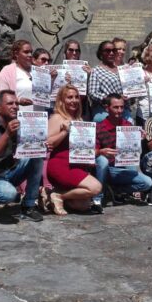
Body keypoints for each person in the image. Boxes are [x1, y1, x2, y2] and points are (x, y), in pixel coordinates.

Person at [0, 90, 44, 222]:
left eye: (16, 103)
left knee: (37, 155)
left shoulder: (21, 124)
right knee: (8, 194)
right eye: (10, 103)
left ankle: (28, 206)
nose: (15, 106)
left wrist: (41, 146)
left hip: (12, 171)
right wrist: (7, 134)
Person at [46, 85, 102, 215]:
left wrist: (89, 157)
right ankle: (59, 196)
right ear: (61, 101)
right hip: (61, 166)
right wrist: (65, 131)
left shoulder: (79, 119)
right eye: (69, 97)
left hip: (76, 165)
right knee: (95, 188)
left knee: (83, 205)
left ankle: (50, 193)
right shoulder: (57, 118)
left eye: (76, 97)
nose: (74, 100)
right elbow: (48, 143)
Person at [94, 94, 152, 212]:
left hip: (122, 168)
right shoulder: (99, 128)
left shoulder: (128, 125)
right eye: (116, 107)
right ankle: (97, 198)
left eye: (121, 107)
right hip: (105, 169)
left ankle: (116, 190)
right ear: (107, 108)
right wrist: (100, 151)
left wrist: (138, 139)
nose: (119, 110)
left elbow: (132, 151)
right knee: (102, 160)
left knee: (147, 183)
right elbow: (90, 153)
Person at [88, 40, 130, 123]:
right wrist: (110, 99)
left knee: (130, 122)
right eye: (107, 51)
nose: (111, 53)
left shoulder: (122, 69)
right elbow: (92, 93)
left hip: (122, 109)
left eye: (113, 50)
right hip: (104, 110)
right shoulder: (96, 71)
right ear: (101, 53)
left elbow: (130, 89)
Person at [0, 40, 35, 110]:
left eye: (31, 52)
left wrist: (51, 79)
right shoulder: (7, 71)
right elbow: (2, 95)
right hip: (19, 116)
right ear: (16, 54)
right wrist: (18, 100)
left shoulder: (37, 71)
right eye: (26, 52)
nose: (30, 55)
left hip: (40, 116)